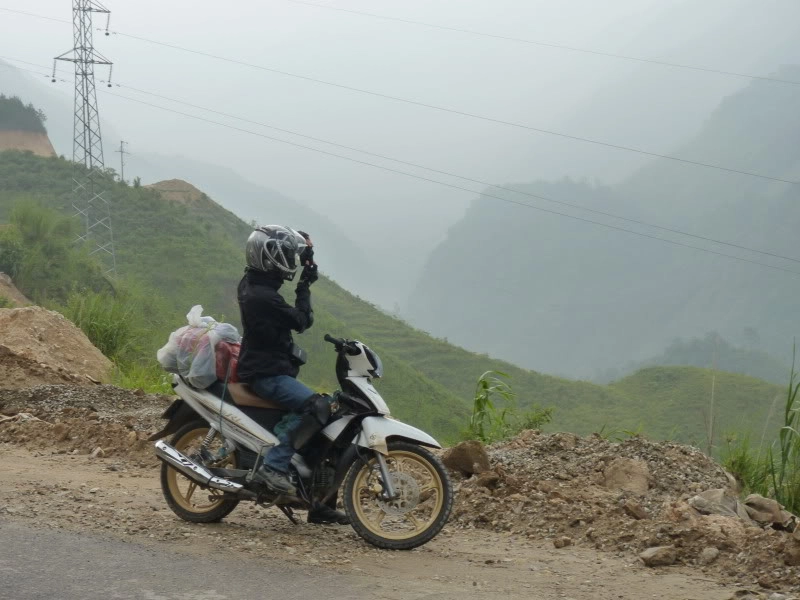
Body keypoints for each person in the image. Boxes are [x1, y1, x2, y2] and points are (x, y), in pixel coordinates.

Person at [237, 225, 348, 525]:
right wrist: (305, 285)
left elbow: (288, 249)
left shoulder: (252, 282)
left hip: (271, 367)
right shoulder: (264, 297)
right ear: (269, 258)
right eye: (284, 255)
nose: (289, 259)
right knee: (317, 406)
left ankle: (319, 503)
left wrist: (304, 249)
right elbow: (302, 320)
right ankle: (273, 468)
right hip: (265, 373)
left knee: (330, 422)